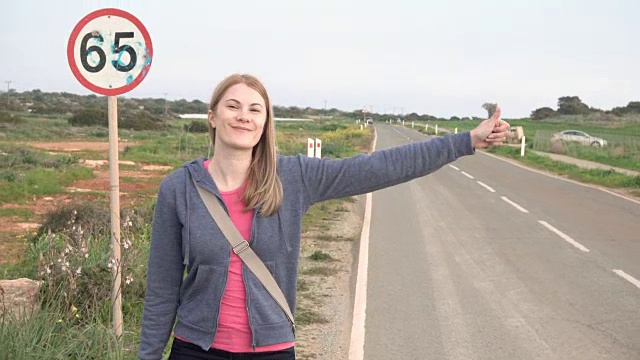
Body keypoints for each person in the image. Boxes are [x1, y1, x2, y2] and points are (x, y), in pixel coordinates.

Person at [138, 74, 510, 360]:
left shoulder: (294, 177)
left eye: (255, 109)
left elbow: (382, 167)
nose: (243, 117)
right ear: (213, 117)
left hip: (270, 349)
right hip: (195, 348)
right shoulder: (180, 188)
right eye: (233, 106)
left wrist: (465, 142)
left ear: (265, 122)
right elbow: (162, 289)